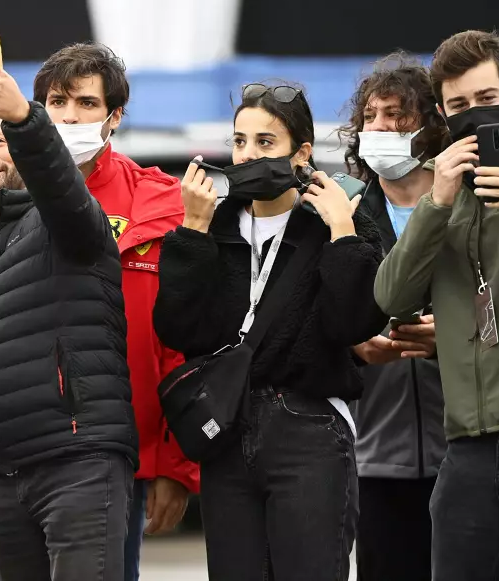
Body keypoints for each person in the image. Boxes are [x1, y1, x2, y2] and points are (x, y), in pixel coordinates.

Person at [0, 42, 199, 579]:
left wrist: (177, 462)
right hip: (22, 449)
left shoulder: (160, 200)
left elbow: (184, 339)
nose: (70, 116)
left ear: (114, 115)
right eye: (57, 103)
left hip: (109, 447)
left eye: (86, 104)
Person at [154, 83, 387, 581]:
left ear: (301, 152)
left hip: (311, 427)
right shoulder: (213, 223)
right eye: (240, 142)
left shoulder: (336, 220)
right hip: (228, 429)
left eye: (265, 143)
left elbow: (354, 324)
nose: (248, 154)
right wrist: (191, 232)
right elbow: (176, 328)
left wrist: (343, 234)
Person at [374, 29, 499, 581]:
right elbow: (390, 295)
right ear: (442, 111)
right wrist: (436, 201)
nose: (474, 116)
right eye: (458, 106)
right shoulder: (442, 191)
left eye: (487, 101)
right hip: (465, 448)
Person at [340, 54, 447, 581]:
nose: (380, 127)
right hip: (374, 452)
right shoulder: (345, 216)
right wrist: (354, 342)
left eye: (397, 115)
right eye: (371, 116)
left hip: (465, 443)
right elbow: (320, 321)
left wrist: (449, 338)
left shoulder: (468, 204)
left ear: (430, 125)